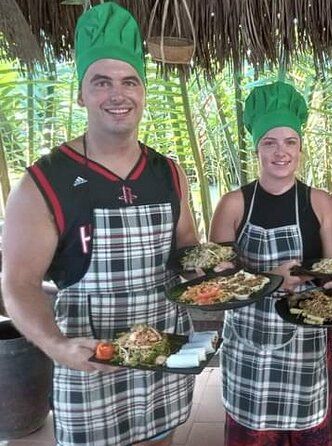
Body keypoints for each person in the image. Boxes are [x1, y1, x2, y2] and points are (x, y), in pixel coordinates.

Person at [1, 3, 200, 445]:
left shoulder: (168, 172)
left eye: (130, 81)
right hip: (87, 361)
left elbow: (187, 246)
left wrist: (204, 274)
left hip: (162, 348)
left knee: (160, 439)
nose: (118, 94)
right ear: (81, 94)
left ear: (143, 92)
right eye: (101, 82)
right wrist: (56, 347)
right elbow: (18, 284)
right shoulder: (42, 181)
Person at [210, 81, 332, 446]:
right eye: (269, 142)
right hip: (249, 342)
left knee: (306, 435)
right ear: (256, 148)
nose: (280, 152)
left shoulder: (320, 202)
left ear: (301, 146)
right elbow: (219, 284)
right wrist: (272, 279)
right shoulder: (233, 204)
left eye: (290, 142)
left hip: (305, 342)